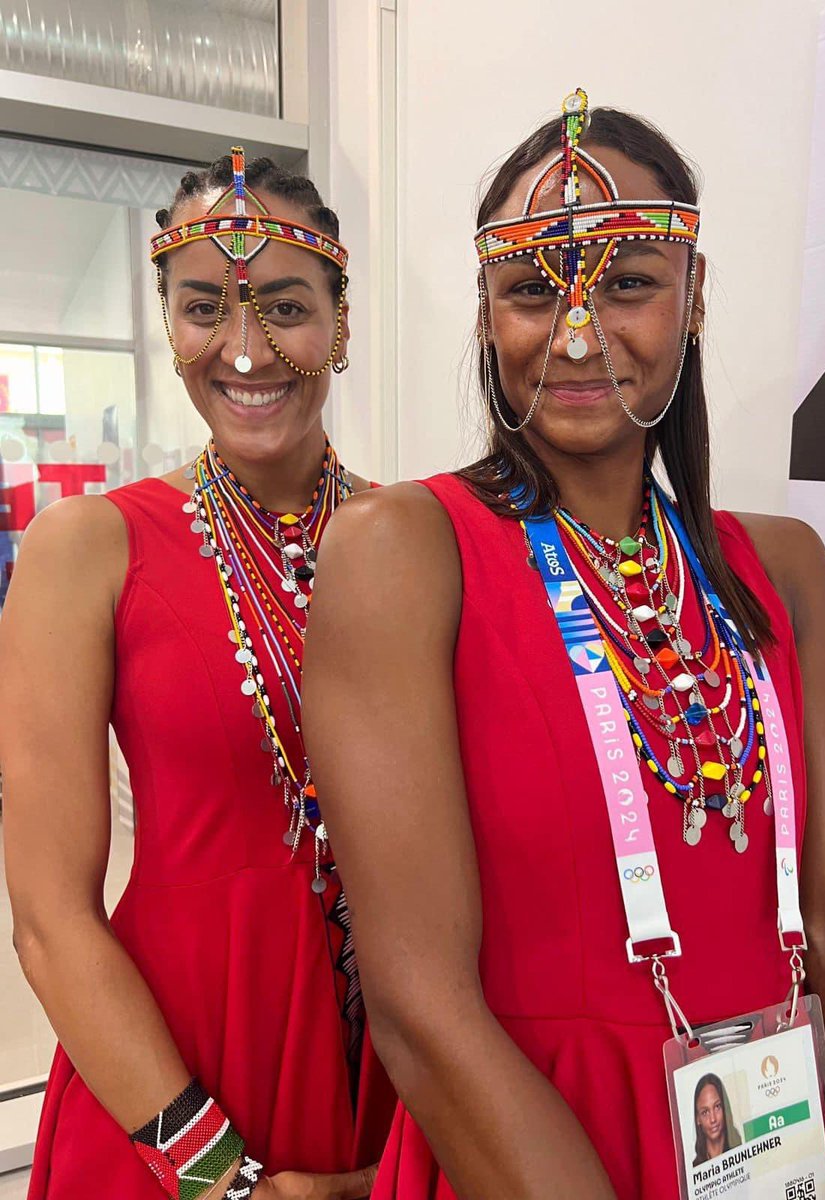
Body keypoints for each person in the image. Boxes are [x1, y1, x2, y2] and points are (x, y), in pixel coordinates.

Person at [301, 92, 825, 1200]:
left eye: (628, 283)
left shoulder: (786, 569)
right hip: (523, 1152)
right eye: (533, 292)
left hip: (779, 1142)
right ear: (487, 316)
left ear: (694, 297)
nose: (577, 333)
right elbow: (420, 1007)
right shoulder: (403, 554)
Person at [0, 150, 392, 1200]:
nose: (245, 348)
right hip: (175, 1079)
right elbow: (46, 917)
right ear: (168, 320)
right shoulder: (86, 548)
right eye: (205, 305)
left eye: (285, 306)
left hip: (395, 1065)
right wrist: (225, 1179)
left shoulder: (418, 537)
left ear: (341, 323)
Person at [692, 1074, 737, 1166]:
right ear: (698, 1119)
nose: (713, 1119)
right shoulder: (694, 1169)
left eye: (717, 1107)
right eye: (705, 1112)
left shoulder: (741, 1154)